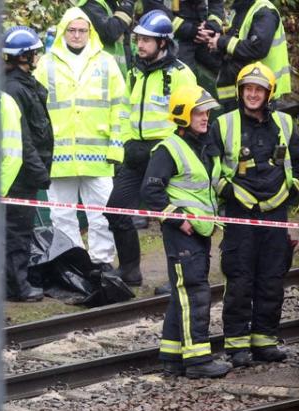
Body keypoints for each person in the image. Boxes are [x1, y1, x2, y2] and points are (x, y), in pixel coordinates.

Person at [210, 62, 299, 367]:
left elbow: (297, 164)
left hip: (276, 211)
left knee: (272, 277)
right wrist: (230, 192)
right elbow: (212, 170)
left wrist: (293, 190)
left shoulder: (286, 124)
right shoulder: (223, 124)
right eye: (248, 89)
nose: (252, 94)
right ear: (239, 91)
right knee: (239, 278)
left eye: (258, 90)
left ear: (268, 93)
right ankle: (237, 345)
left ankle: (265, 340)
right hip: (240, 214)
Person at [141, 85, 230, 378]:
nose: (206, 117)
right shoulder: (168, 149)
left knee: (183, 293)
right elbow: (151, 192)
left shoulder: (204, 146)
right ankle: (198, 360)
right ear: (183, 115)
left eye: (206, 112)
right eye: (199, 112)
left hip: (199, 232)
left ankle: (171, 355)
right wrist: (178, 219)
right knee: (194, 292)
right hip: (183, 233)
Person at [106, 10, 197, 287]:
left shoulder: (181, 74)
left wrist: (166, 151)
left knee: (171, 216)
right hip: (135, 151)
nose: (140, 45)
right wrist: (127, 143)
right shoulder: (135, 71)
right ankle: (130, 270)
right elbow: (124, 110)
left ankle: (179, 276)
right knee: (116, 210)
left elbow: (190, 122)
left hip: (165, 152)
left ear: (163, 43)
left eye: (146, 40)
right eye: (138, 40)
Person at [35, 7, 127, 270]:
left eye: (82, 30)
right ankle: (73, 261)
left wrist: (116, 149)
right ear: (64, 31)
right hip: (59, 157)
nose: (76, 35)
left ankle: (102, 261)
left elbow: (120, 107)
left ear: (90, 32)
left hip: (99, 155)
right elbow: (36, 110)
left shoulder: (106, 63)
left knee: (101, 213)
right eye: (72, 30)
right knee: (61, 215)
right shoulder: (46, 63)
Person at [2, 26, 53, 302]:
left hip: (20, 173)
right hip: (19, 176)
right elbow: (23, 139)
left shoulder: (18, 84)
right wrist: (39, 173)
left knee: (14, 231)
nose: (37, 57)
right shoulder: (14, 89)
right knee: (17, 233)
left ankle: (12, 283)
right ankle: (17, 287)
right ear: (25, 56)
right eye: (35, 53)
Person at [202, 0, 291, 111]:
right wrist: (216, 36)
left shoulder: (265, 12)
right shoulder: (242, 7)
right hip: (243, 85)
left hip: (262, 87)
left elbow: (257, 49)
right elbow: (237, 35)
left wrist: (221, 42)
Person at [170, 0, 225, 77]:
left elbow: (217, 5)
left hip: (203, 29)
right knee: (183, 73)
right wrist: (188, 29)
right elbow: (155, 8)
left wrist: (211, 26)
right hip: (176, 34)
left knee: (224, 67)